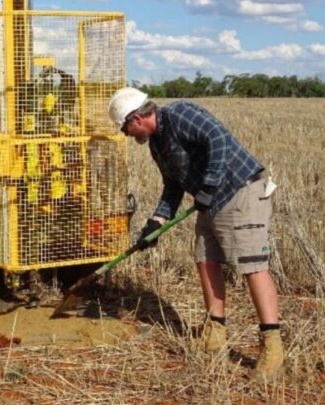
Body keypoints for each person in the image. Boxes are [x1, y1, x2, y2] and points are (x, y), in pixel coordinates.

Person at [108, 87, 283, 382]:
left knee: (252, 267)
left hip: (240, 192)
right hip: (211, 201)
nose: (125, 134)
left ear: (136, 118)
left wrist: (210, 186)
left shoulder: (180, 114)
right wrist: (156, 222)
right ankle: (214, 332)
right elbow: (173, 186)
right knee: (205, 259)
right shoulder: (156, 144)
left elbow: (218, 139)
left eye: (124, 127)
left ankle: (273, 347)